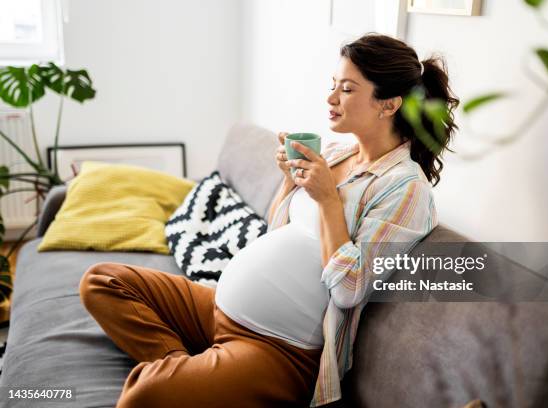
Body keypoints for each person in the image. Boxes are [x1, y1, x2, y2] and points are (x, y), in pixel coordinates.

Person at [79, 33, 459, 408]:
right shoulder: (336, 153)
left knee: (144, 396)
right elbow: (276, 233)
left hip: (276, 348)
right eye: (333, 85)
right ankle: (190, 370)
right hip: (218, 310)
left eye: (346, 89)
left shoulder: (406, 189)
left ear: (388, 105)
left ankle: (194, 378)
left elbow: (349, 288)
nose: (330, 98)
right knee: (102, 281)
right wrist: (287, 182)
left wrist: (327, 199)